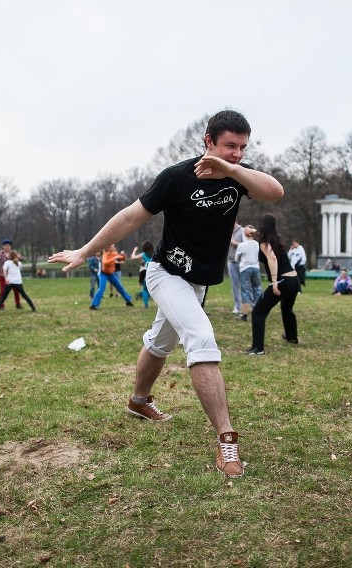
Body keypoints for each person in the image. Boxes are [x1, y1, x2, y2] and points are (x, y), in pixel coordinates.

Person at [49, 110, 284, 478]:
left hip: (199, 280)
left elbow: (274, 192)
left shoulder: (238, 176)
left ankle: (139, 401)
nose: (237, 153)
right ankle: (226, 439)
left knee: (159, 341)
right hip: (166, 273)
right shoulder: (176, 178)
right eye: (229, 146)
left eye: (242, 147)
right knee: (201, 337)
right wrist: (84, 251)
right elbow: (129, 217)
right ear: (208, 142)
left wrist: (232, 170)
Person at [244, 213, 300, 355]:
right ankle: (292, 337)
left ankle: (258, 348)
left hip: (282, 281)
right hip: (294, 280)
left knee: (258, 312)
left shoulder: (265, 243)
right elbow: (263, 236)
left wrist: (274, 282)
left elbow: (272, 259)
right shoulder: (276, 239)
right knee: (287, 309)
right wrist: (252, 231)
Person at [90, 245, 134, 309]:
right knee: (101, 289)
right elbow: (105, 263)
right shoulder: (105, 255)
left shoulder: (114, 254)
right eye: (112, 246)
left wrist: (123, 255)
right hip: (103, 274)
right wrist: (114, 259)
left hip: (111, 274)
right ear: (108, 248)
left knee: (119, 287)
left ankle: (128, 301)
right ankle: (94, 305)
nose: (114, 247)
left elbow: (123, 258)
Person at [234, 225, 261, 321]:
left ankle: (244, 314)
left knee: (245, 290)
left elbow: (236, 258)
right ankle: (258, 311)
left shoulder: (242, 245)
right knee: (257, 289)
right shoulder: (257, 244)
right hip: (256, 268)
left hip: (245, 268)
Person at [0, 239, 21, 310]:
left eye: (9, 246)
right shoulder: (0, 254)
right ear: (3, 246)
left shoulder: (13, 253)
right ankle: (1, 305)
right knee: (2, 290)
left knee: (16, 290)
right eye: (6, 246)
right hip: (2, 275)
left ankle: (18, 304)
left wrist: (20, 257)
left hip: (12, 276)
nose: (8, 247)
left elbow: (20, 260)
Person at [131, 241, 155, 308]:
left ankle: (146, 304)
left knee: (145, 289)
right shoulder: (155, 254)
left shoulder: (143, 255)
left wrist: (134, 250)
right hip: (153, 273)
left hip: (145, 274)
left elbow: (132, 257)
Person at [228, 220, 245, 314]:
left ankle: (245, 306)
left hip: (242, 262)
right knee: (234, 286)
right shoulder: (227, 230)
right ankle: (237, 306)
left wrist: (235, 243)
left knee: (244, 285)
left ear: (236, 221)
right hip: (231, 261)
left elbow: (247, 245)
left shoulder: (242, 230)